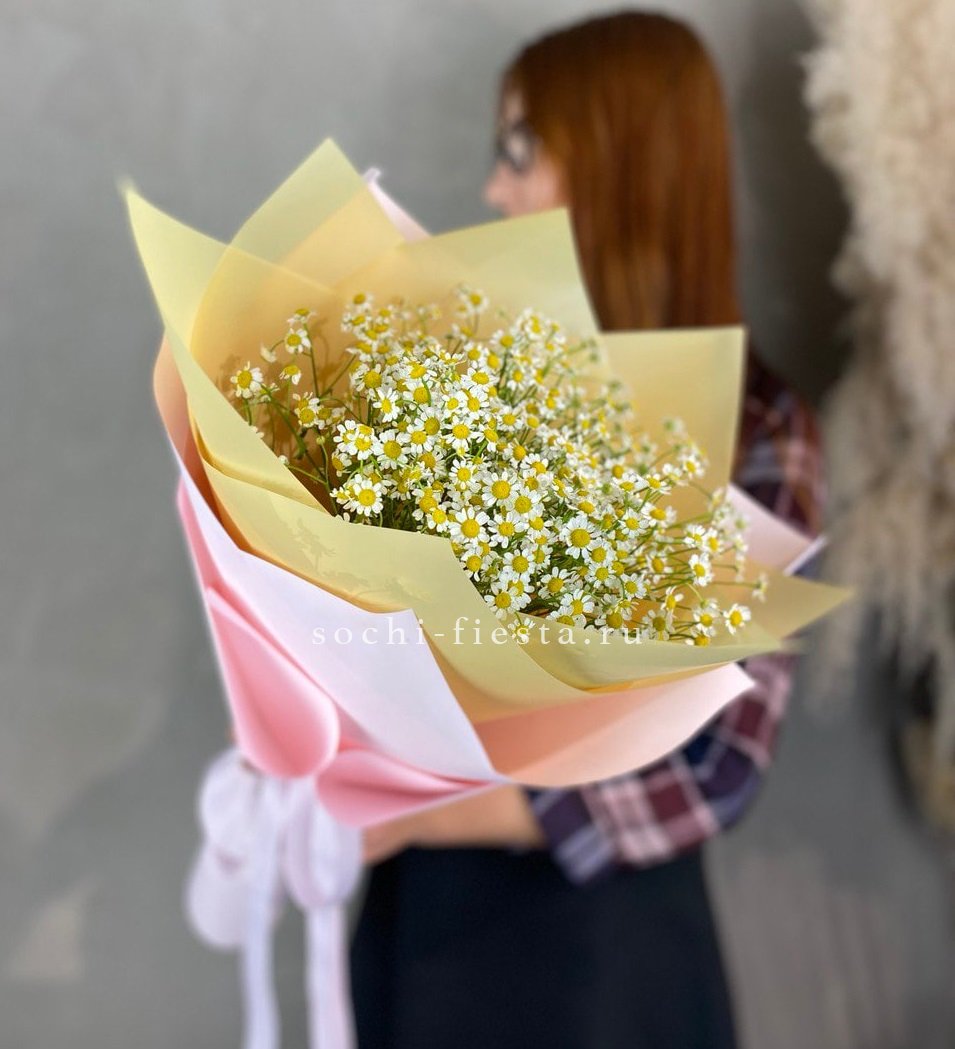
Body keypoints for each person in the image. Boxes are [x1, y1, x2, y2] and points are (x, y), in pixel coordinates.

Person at [351, 11, 824, 1049]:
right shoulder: (463, 388)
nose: (494, 188)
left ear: (618, 160)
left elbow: (710, 765)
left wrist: (416, 810)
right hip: (418, 931)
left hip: (603, 966)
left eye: (520, 149)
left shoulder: (752, 429)